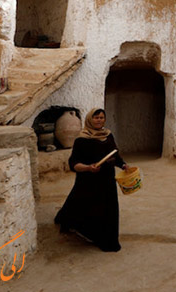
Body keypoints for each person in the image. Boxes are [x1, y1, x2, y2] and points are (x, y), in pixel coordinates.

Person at [54, 108, 128, 252]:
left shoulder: (108, 135)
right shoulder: (82, 139)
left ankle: (109, 241)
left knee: (108, 210)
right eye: (96, 117)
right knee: (88, 208)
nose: (99, 120)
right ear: (89, 119)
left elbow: (115, 155)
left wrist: (123, 165)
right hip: (88, 182)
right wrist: (88, 168)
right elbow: (73, 163)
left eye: (101, 117)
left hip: (107, 181)